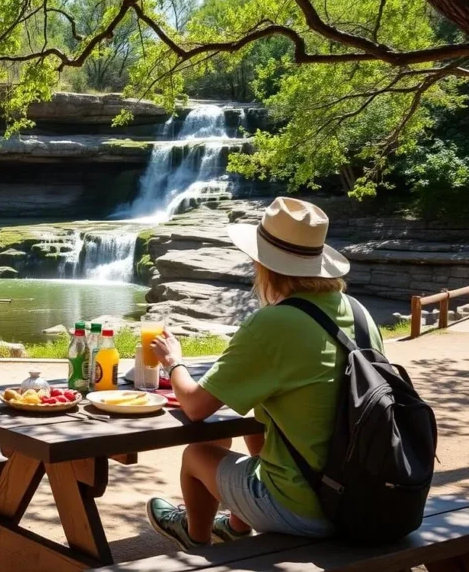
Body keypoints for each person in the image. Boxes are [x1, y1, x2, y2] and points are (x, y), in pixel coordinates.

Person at [145, 196, 385, 549]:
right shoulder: (360, 314)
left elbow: (195, 407)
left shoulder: (275, 322)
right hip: (365, 497)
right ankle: (237, 527)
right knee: (261, 424)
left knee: (197, 454)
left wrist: (174, 361)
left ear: (264, 264)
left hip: (309, 508)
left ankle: (195, 538)